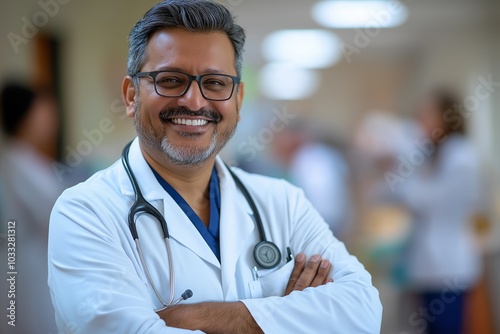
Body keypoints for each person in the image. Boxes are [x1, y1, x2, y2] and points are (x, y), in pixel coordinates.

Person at [47, 1, 382, 333]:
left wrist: (204, 317)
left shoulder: (283, 203)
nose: (194, 101)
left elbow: (363, 311)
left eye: (216, 83)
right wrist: (288, 316)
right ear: (131, 95)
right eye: (170, 79)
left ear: (237, 99)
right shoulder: (85, 213)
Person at [382, 89, 482, 334]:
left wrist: (404, 166)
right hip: (426, 264)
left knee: (447, 328)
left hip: (449, 267)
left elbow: (429, 201)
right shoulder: (430, 153)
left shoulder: (461, 155)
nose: (420, 120)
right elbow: (388, 193)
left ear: (447, 117)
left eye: (427, 114)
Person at [0, 83, 60, 334]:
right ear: (26, 117)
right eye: (43, 112)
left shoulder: (23, 160)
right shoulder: (20, 164)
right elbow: (56, 216)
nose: (51, 119)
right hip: (26, 265)